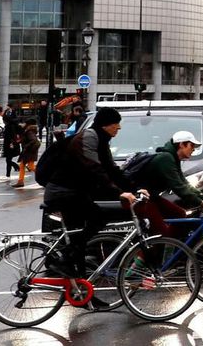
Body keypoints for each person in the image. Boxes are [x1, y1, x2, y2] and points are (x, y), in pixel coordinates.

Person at [43, 107, 139, 280]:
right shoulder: (89, 137)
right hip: (62, 192)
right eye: (116, 124)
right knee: (98, 217)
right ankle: (65, 257)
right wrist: (119, 193)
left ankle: (83, 293)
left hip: (75, 192)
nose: (119, 128)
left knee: (79, 242)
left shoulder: (102, 141)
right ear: (106, 124)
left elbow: (112, 170)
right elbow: (94, 168)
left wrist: (134, 190)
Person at [129, 131, 203, 238]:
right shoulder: (165, 159)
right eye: (191, 145)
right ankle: (161, 250)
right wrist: (201, 203)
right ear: (181, 145)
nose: (193, 149)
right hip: (142, 200)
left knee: (180, 214)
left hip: (152, 197)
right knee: (162, 235)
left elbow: (184, 183)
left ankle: (176, 249)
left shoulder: (173, 158)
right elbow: (179, 187)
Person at [13, 119, 40, 188]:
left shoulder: (29, 131)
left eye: (25, 123)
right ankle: (20, 181)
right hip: (28, 152)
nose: (23, 124)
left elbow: (33, 140)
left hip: (29, 152)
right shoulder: (28, 131)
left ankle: (45, 177)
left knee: (31, 167)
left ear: (28, 124)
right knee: (22, 165)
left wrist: (26, 146)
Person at [2, 107, 21, 180]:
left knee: (8, 159)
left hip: (10, 144)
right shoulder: (13, 124)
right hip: (11, 144)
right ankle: (9, 173)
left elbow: (12, 135)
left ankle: (8, 174)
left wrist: (11, 143)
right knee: (8, 159)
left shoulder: (10, 126)